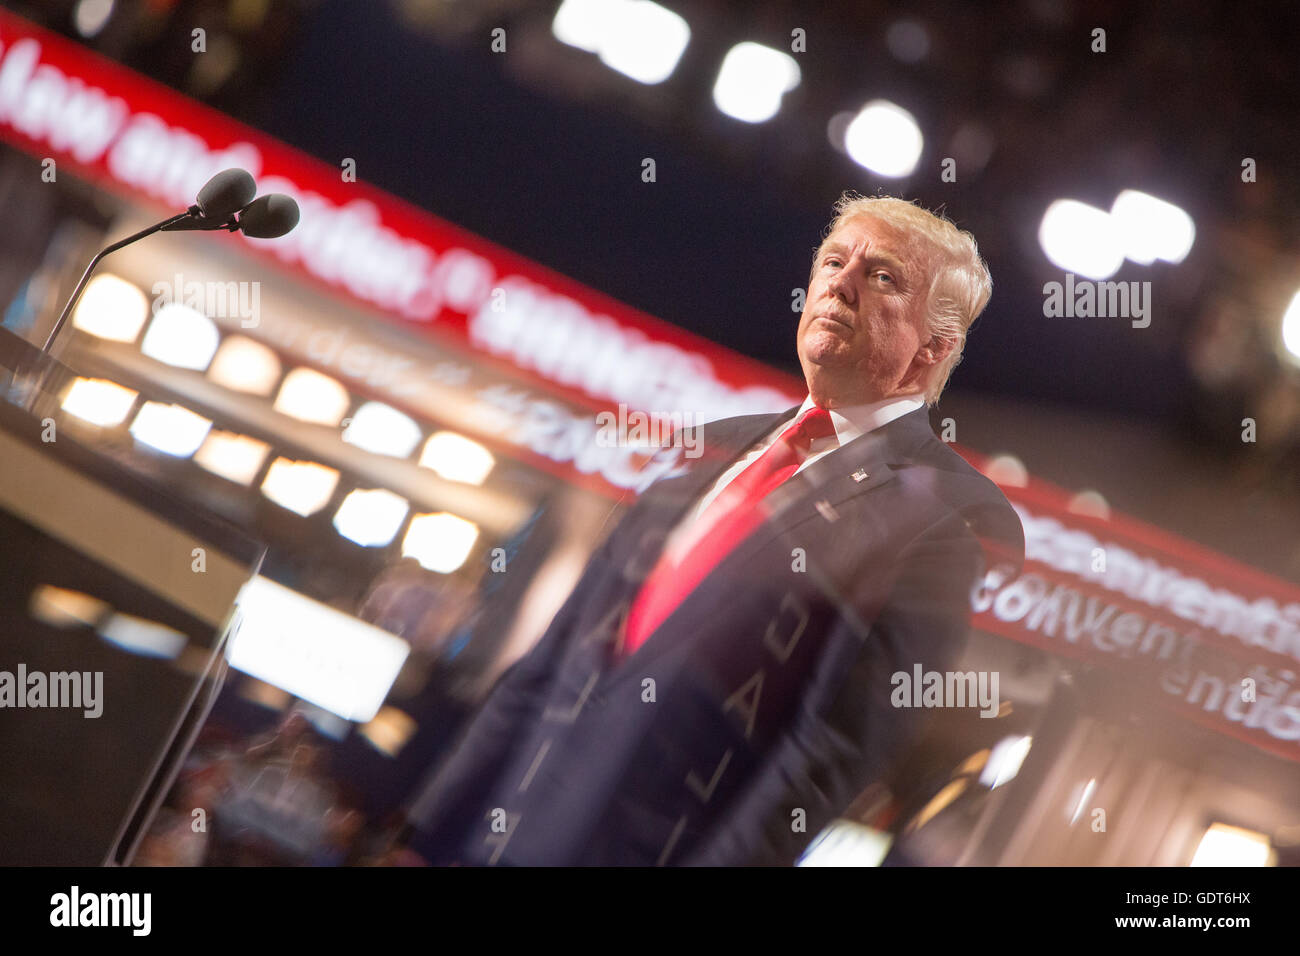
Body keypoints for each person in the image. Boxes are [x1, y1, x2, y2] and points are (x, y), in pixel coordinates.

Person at [402, 193, 1026, 866]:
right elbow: (549, 663)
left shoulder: (940, 521)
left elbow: (823, 759)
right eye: (833, 261)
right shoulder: (706, 449)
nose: (840, 284)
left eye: (881, 277)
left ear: (935, 347)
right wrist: (424, 834)